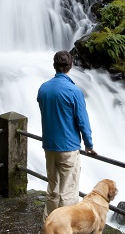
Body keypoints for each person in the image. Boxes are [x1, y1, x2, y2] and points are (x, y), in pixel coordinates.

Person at [37, 50, 96, 221]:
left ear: (54, 66)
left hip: (49, 146)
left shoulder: (43, 89)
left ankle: (49, 225)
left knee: (53, 189)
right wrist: (89, 145)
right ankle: (64, 231)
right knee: (68, 193)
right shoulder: (74, 91)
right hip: (68, 147)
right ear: (71, 66)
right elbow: (83, 122)